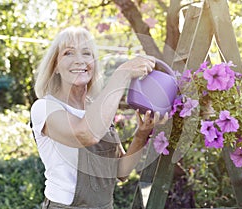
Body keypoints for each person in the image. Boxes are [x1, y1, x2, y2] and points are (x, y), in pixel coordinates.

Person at [30, 26, 168, 209]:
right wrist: (122, 74)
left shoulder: (98, 109)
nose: (79, 60)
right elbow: (85, 134)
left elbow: (121, 171)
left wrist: (142, 135)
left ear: (93, 64)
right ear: (55, 66)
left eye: (86, 53)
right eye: (68, 53)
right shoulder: (44, 108)